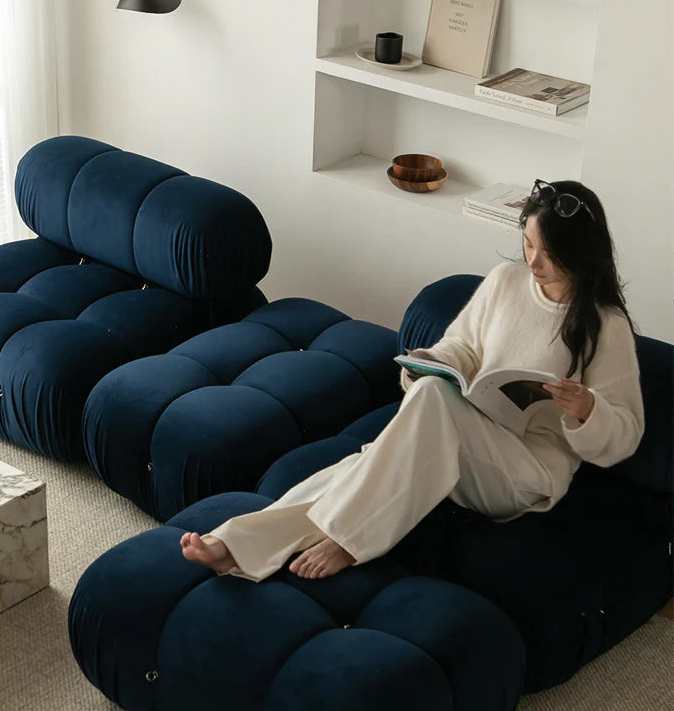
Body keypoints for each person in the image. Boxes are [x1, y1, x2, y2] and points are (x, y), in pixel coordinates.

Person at [180, 179, 644, 582]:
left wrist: (586, 410)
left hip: (526, 474)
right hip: (463, 439)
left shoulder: (606, 325)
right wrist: (429, 360)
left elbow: (625, 435)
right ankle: (238, 544)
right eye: (528, 244)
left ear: (582, 253)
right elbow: (462, 348)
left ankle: (349, 540)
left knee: (407, 431)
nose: (534, 262)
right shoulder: (506, 281)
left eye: (550, 252)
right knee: (390, 441)